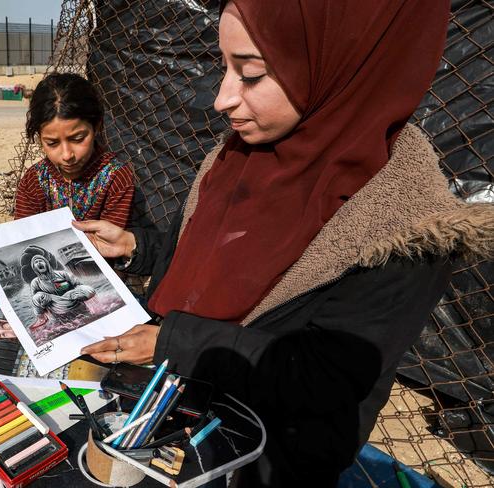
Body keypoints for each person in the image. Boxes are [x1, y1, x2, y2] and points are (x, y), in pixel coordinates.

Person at [76, 1, 494, 486]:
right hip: (169, 411)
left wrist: (172, 342)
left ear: (339, 67)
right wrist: (136, 245)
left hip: (268, 458)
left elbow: (324, 377)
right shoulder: (238, 155)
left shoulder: (404, 225)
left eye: (250, 74)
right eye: (223, 68)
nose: (221, 99)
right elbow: (205, 254)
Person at [14, 72, 135, 228]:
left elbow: (112, 244)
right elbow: (22, 234)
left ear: (97, 126)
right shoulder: (34, 181)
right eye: (52, 143)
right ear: (39, 138)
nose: (67, 155)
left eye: (77, 139)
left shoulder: (115, 179)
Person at [28, 253, 96, 330]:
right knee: (37, 297)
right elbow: (36, 302)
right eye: (36, 262)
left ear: (46, 263)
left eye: (41, 260)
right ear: (34, 268)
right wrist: (43, 305)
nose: (39, 263)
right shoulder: (35, 282)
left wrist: (77, 294)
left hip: (76, 305)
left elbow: (78, 284)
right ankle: (41, 319)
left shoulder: (62, 274)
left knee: (87, 289)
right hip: (58, 312)